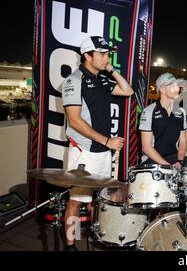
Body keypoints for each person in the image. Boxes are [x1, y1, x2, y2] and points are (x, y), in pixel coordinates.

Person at [62, 36, 134, 251]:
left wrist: (110, 68)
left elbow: (128, 90)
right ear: (87, 55)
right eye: (102, 54)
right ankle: (70, 246)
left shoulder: (103, 79)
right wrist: (107, 141)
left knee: (98, 200)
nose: (106, 58)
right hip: (84, 150)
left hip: (104, 149)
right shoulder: (74, 80)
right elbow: (75, 120)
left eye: (108, 54)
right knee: (76, 201)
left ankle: (96, 238)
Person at [139, 73, 187, 168]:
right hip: (152, 159)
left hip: (174, 158)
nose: (177, 89)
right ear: (163, 90)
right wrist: (166, 165)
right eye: (173, 86)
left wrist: (180, 161)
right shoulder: (149, 111)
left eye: (177, 86)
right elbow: (146, 147)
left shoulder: (181, 112)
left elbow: (183, 141)